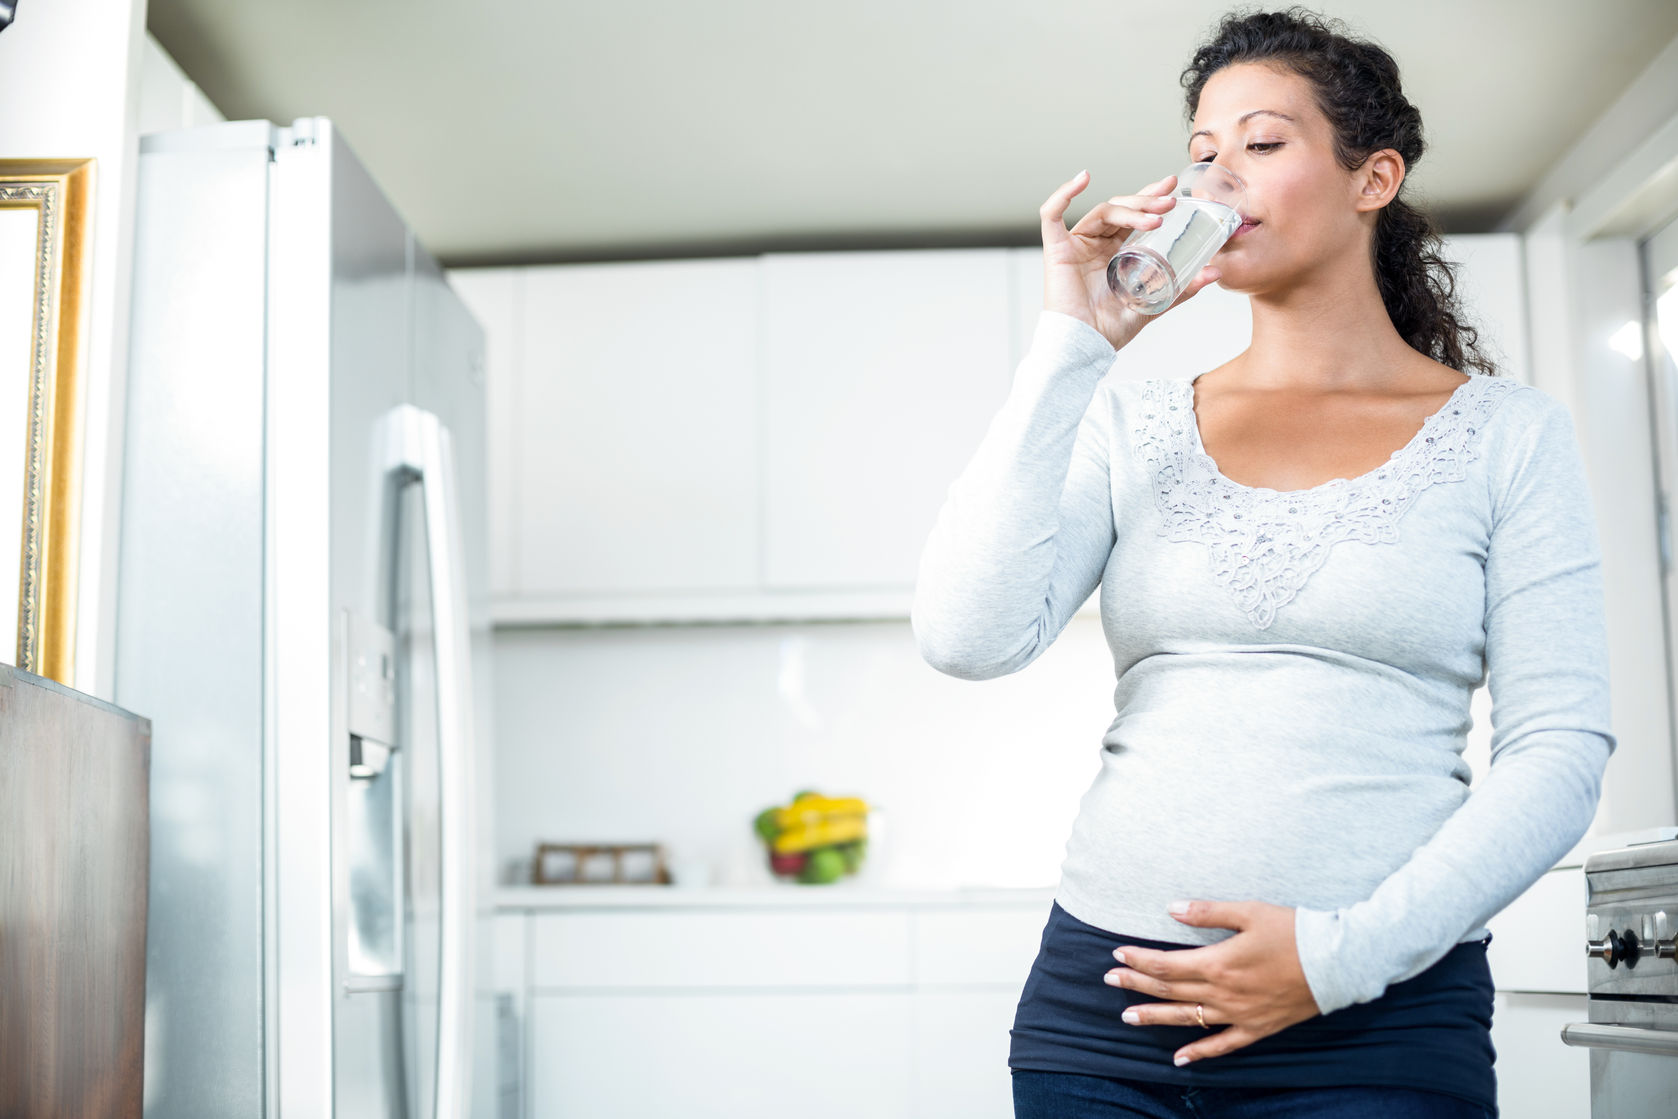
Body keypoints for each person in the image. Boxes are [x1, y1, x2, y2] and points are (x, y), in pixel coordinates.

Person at [910, 7, 1616, 1119]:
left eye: (1261, 143)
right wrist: (1069, 347)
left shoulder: (1507, 436)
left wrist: (1338, 959)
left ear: (1371, 177)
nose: (1216, 175)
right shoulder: (1131, 421)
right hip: (1103, 1013)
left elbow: (1561, 749)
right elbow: (965, 636)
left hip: (1374, 1020)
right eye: (1201, 152)